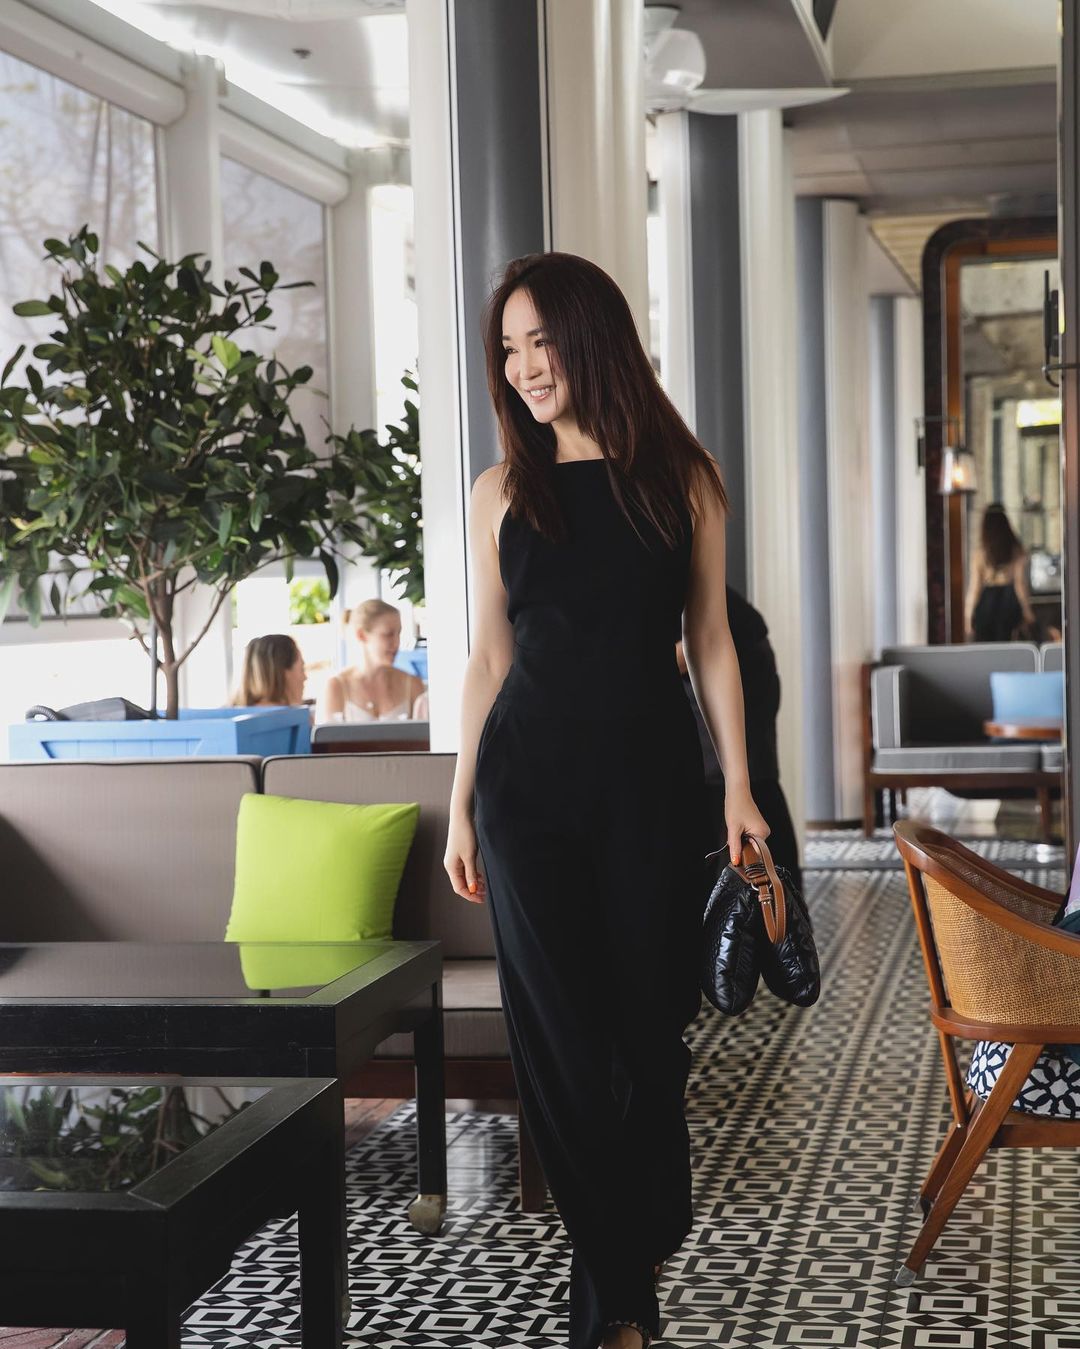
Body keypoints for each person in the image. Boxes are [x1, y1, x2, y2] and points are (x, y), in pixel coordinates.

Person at [443, 251, 768, 1349]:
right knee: (564, 1050)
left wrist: (740, 787)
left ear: (593, 339)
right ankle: (620, 1309)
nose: (524, 367)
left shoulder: (683, 478)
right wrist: (459, 805)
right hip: (524, 795)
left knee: (649, 1037)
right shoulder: (498, 492)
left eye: (542, 341)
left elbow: (711, 641)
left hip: (650, 792)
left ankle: (632, 1254)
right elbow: (488, 662)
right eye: (508, 348)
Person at [676, 586, 802, 893]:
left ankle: (774, 905)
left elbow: (697, 644)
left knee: (744, 786)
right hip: (727, 660)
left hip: (731, 663)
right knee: (741, 785)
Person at [323, 599, 427, 722]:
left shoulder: (412, 684)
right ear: (361, 635)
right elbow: (326, 733)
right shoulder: (336, 686)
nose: (396, 643)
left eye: (398, 634)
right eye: (388, 634)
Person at [965, 503, 1037, 642]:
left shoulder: (981, 553)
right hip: (1009, 600)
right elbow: (1020, 584)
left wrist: (968, 617)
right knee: (1007, 643)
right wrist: (1028, 612)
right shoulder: (1016, 550)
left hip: (987, 601)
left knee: (987, 646)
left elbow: (974, 588)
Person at [231, 633, 306, 707]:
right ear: (283, 673)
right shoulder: (294, 714)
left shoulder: (232, 711)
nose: (305, 677)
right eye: (302, 669)